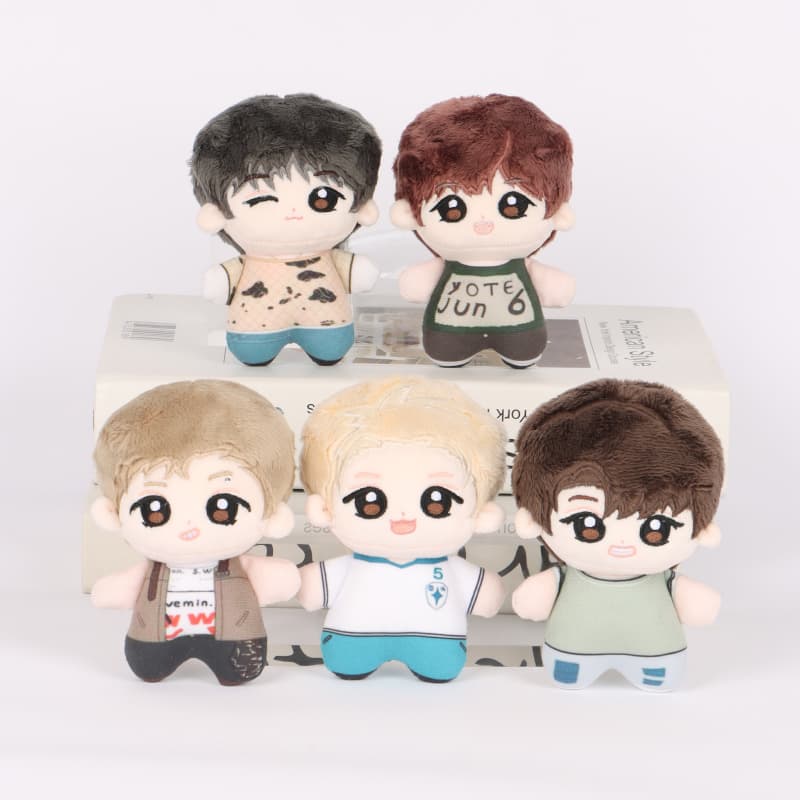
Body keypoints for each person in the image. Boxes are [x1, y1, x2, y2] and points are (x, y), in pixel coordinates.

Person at [511, 379, 725, 691]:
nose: (621, 545)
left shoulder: (663, 579)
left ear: (702, 528)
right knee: (569, 670)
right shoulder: (565, 576)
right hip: (573, 648)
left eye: (656, 529)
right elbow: (532, 603)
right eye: (587, 525)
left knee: (657, 671)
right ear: (533, 519)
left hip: (655, 651)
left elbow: (698, 609)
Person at [297, 376, 506, 681]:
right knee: (348, 660)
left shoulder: (448, 568)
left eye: (437, 502)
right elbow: (310, 590)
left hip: (435, 642)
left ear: (481, 514)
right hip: (354, 638)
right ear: (324, 510)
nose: (403, 517)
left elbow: (487, 597)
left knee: (439, 665)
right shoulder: (352, 566)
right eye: (370, 501)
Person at [91, 380, 299, 684]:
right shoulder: (152, 570)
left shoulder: (240, 565)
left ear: (272, 514)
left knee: (240, 667)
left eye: (222, 507)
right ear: (113, 514)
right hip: (153, 641)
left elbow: (280, 581)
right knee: (148, 666)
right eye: (154, 509)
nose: (190, 526)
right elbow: (112, 592)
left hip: (235, 639)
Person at [191, 94, 382, 366]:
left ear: (362, 206)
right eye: (261, 199)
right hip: (256, 327)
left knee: (330, 348)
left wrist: (359, 272)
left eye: (323, 199)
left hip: (328, 324)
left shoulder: (332, 257)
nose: (293, 213)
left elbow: (360, 276)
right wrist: (219, 281)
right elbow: (219, 284)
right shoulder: (246, 263)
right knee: (253, 352)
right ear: (216, 215)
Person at [391, 94, 575, 368]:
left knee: (523, 350)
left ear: (557, 212)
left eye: (513, 206)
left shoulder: (521, 262)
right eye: (452, 209)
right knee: (447, 352)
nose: (483, 224)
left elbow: (555, 290)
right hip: (449, 333)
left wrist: (555, 286)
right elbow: (415, 288)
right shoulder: (447, 260)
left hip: (520, 331)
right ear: (410, 213)